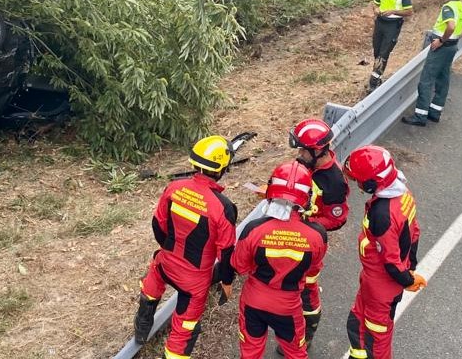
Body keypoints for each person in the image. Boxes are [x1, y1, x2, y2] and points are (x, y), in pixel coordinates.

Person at [133, 135, 239, 359]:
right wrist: (227, 282)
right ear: (222, 168)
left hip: (165, 264)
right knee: (185, 331)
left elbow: (158, 225)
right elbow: (227, 252)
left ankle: (141, 328)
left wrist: (170, 250)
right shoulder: (224, 207)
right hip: (194, 282)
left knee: (151, 287)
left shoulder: (174, 188)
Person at [234, 161, 328, 359]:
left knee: (250, 352)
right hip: (288, 306)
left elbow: (239, 265)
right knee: (295, 353)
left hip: (254, 300)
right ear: (308, 196)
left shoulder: (254, 228)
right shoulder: (317, 235)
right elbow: (312, 269)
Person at [342, 145, 426, 359]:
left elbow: (390, 260)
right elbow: (414, 231)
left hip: (382, 285)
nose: (358, 186)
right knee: (356, 323)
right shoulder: (403, 193)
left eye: (359, 181)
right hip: (373, 280)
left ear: (372, 183)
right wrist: (411, 266)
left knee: (376, 338)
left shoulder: (383, 214)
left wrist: (407, 279)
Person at [281, 118, 350, 354]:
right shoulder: (307, 164)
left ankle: (306, 334)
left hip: (310, 241)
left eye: (303, 149)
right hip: (292, 230)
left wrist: (309, 225)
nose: (299, 153)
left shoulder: (334, 182)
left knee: (307, 289)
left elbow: (337, 218)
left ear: (318, 150)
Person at [401, 0, 462, 127]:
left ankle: (420, 116)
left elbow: (451, 26)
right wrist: (458, 36)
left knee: (427, 80)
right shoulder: (461, 7)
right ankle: (435, 113)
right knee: (443, 79)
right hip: (452, 47)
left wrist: (441, 40)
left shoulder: (448, 7)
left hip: (441, 47)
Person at [368, 0, 412, 92]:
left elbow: (409, 11)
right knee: (377, 51)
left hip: (393, 25)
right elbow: (375, 4)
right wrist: (376, 10)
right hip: (380, 22)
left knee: (384, 53)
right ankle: (377, 75)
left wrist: (394, 11)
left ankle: (373, 82)